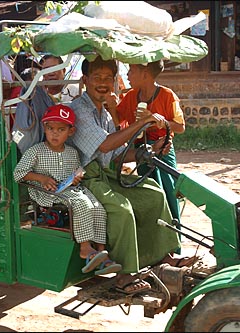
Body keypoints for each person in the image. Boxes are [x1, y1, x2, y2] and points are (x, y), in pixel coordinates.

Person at [68, 56, 194, 294]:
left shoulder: (104, 113)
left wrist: (149, 151)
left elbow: (117, 155)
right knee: (122, 208)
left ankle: (162, 257)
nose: (104, 83)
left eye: (109, 78)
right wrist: (141, 125)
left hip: (108, 173)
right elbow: (105, 146)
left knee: (154, 194)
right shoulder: (79, 110)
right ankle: (125, 274)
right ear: (85, 80)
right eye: (97, 78)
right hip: (86, 178)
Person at [14, 104, 122, 275]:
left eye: (61, 129)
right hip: (47, 193)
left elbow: (78, 171)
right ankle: (85, 247)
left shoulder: (72, 152)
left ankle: (101, 253)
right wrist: (41, 178)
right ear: (45, 128)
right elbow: (18, 173)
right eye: (50, 128)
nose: (54, 133)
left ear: (70, 132)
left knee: (98, 207)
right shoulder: (36, 151)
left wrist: (77, 176)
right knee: (81, 204)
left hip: (70, 190)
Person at [117, 60, 185, 223]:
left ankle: (174, 239)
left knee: (168, 192)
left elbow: (181, 126)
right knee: (150, 192)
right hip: (141, 151)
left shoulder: (167, 96)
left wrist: (160, 122)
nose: (128, 75)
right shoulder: (131, 96)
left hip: (163, 149)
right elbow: (118, 119)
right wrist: (112, 105)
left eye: (132, 70)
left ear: (145, 74)